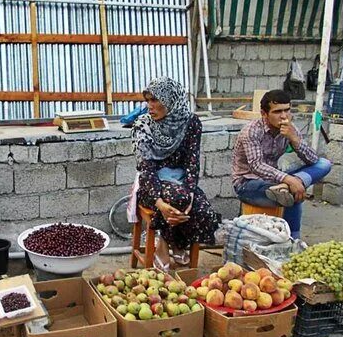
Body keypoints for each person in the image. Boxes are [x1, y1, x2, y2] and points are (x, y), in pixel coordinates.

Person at [132, 76, 221, 270]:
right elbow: (146, 168)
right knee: (176, 200)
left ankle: (170, 243)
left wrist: (190, 196)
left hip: (181, 181)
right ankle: (169, 246)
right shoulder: (143, 125)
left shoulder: (191, 123)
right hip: (151, 184)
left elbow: (192, 162)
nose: (150, 106)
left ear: (170, 101)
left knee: (202, 211)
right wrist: (160, 204)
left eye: (155, 100)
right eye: (148, 100)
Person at [232, 89, 332, 239]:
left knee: (324, 163)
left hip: (276, 181)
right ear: (264, 114)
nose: (284, 116)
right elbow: (256, 165)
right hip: (248, 184)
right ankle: (294, 240)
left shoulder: (290, 129)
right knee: (292, 194)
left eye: (287, 110)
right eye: (278, 112)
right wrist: (289, 179)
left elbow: (313, 160)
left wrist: (295, 140)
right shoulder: (251, 131)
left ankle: (290, 186)